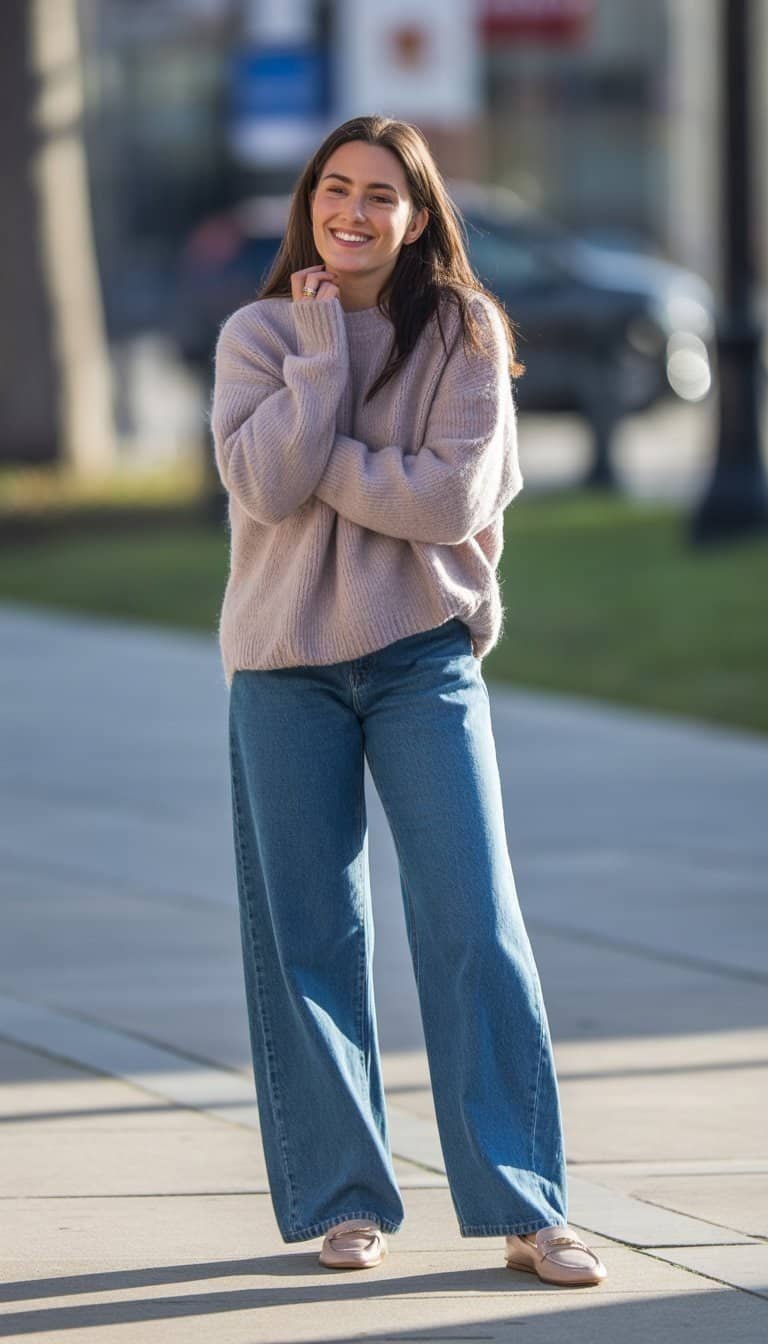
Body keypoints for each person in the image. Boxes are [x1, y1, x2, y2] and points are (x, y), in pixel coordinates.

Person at [210, 114, 607, 1289]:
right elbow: (260, 484)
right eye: (336, 187)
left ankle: (529, 1208)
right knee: (310, 941)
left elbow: (443, 504)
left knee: (472, 919)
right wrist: (320, 359)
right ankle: (343, 1199)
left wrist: (315, 440)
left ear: (418, 215)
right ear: (311, 200)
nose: (354, 209)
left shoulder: (467, 332)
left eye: (381, 194)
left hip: (421, 655)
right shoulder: (258, 334)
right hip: (281, 667)